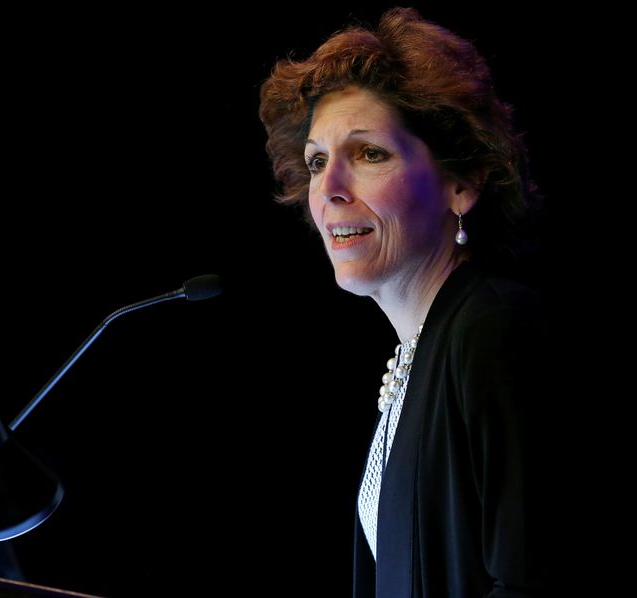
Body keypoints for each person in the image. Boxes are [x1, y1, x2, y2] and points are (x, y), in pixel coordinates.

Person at [259, 7, 557, 597]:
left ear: (461, 184)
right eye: (318, 161)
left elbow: (532, 579)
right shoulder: (419, 357)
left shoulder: (491, 329)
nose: (330, 189)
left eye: (369, 154)